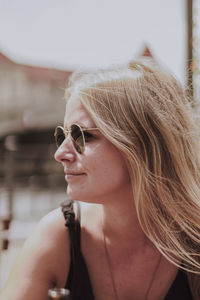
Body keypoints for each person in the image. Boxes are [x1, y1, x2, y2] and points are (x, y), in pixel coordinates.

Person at [1, 59, 200, 300]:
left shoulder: (195, 242)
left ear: (141, 145)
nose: (60, 154)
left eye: (82, 135)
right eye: (62, 135)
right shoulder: (57, 238)